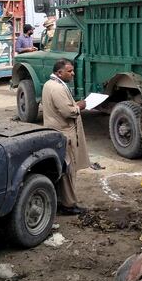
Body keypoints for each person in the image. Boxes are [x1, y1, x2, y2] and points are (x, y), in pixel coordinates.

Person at [42, 59, 90, 214]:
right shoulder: (57, 88)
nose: (73, 73)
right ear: (59, 73)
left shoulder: (51, 84)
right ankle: (68, 205)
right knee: (68, 170)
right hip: (63, 134)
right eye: (69, 71)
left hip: (58, 132)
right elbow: (67, 112)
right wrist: (79, 106)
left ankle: (63, 202)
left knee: (64, 169)